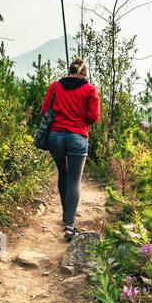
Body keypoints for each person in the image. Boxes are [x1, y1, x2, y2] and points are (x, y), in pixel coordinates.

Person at [40, 58, 100, 239]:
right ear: (84, 73)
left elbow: (44, 111)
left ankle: (66, 215)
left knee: (63, 174)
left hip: (55, 137)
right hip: (77, 137)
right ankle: (69, 226)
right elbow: (93, 117)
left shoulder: (55, 86)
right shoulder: (90, 90)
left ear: (70, 70)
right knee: (74, 181)